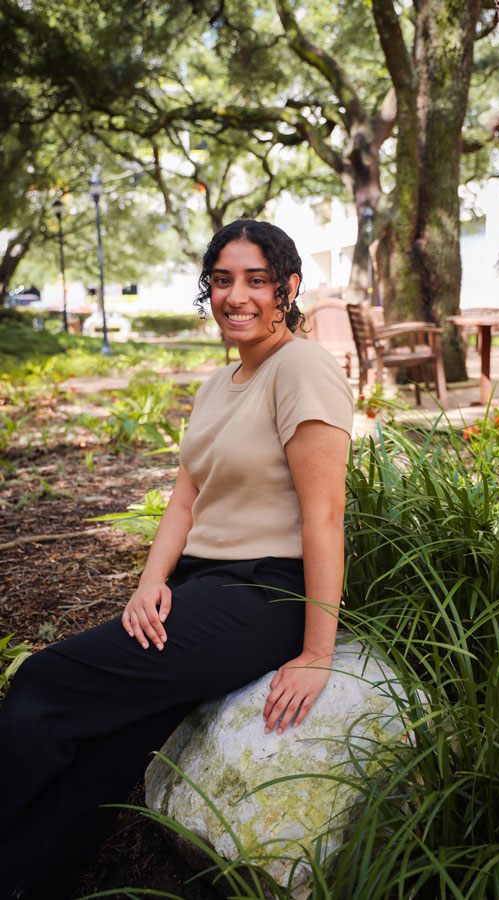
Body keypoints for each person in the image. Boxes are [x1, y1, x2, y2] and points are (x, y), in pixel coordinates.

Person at [0, 219, 354, 900]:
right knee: (108, 748)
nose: (236, 295)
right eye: (222, 280)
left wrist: (317, 652)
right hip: (202, 587)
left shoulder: (303, 368)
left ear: (288, 288)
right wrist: (149, 582)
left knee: (44, 684)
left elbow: (325, 516)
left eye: (256, 280)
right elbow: (185, 499)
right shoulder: (219, 383)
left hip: (265, 595)